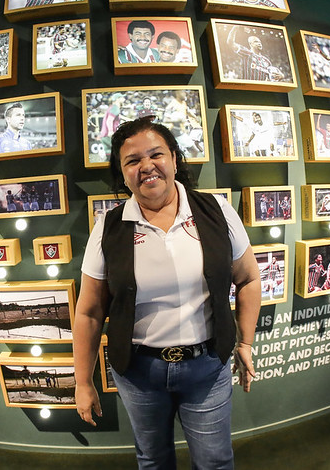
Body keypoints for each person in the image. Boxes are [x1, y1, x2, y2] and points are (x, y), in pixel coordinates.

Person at [73, 117, 261, 469]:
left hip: (208, 367)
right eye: (132, 161)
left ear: (174, 159)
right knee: (153, 461)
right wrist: (83, 381)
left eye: (156, 154)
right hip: (138, 373)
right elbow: (89, 312)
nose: (146, 166)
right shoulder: (108, 227)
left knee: (215, 462)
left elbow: (249, 278)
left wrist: (246, 342)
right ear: (123, 174)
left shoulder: (217, 211)